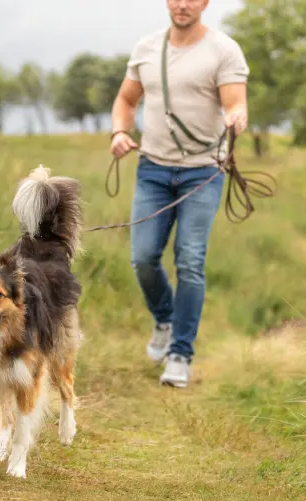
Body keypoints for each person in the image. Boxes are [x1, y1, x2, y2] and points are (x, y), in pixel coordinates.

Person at [109, 0, 249, 388]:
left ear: (205, 3)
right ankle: (165, 319)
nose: (183, 3)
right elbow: (126, 100)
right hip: (152, 169)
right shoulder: (146, 48)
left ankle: (180, 354)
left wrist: (236, 116)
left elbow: (236, 103)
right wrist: (120, 132)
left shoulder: (223, 50)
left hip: (203, 172)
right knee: (142, 257)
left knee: (189, 261)